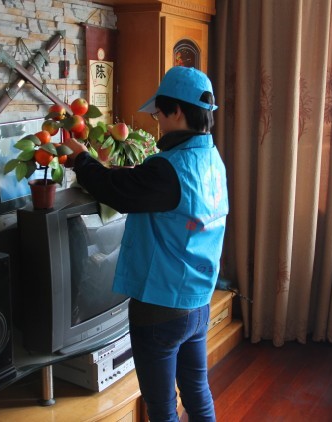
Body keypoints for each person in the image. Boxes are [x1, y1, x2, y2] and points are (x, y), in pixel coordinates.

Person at [63, 66, 229, 422]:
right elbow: (158, 191)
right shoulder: (211, 159)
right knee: (197, 391)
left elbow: (115, 192)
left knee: (162, 407)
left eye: (159, 114)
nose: (158, 122)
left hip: (160, 307)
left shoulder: (168, 170)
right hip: (198, 302)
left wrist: (80, 159)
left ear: (177, 111)